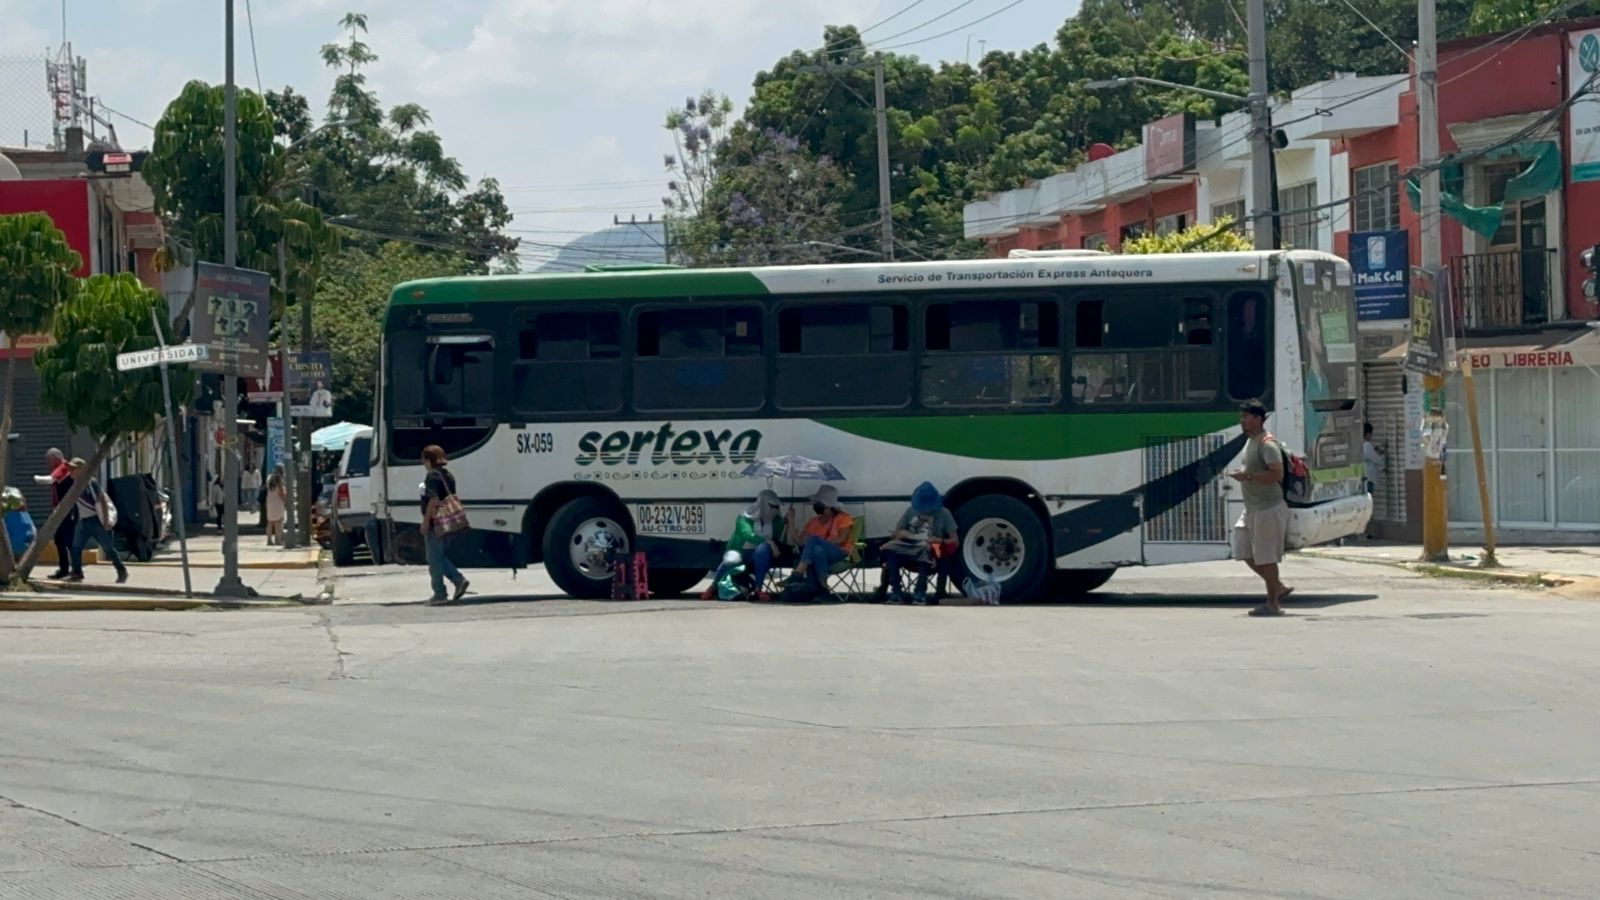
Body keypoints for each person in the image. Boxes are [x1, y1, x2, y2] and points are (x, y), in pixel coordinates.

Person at [1231, 400, 1294, 617]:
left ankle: (1273, 604)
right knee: (1243, 549)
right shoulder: (1251, 441)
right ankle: (1278, 586)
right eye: (1242, 417)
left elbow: (1277, 474)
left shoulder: (1267, 444)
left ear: (1258, 419)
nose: (1242, 421)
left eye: (1246, 417)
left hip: (1268, 508)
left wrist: (1247, 476)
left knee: (1266, 557)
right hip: (1252, 508)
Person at [878, 481, 959, 606]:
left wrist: (939, 540)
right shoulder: (911, 511)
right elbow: (895, 534)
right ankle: (896, 592)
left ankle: (919, 593)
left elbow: (955, 541)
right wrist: (904, 534)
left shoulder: (944, 513)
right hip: (909, 545)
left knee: (925, 549)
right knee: (889, 549)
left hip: (932, 547)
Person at [702, 489, 784, 600]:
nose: (775, 509)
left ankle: (758, 589)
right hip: (740, 550)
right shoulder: (745, 516)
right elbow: (747, 535)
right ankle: (713, 587)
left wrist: (788, 522)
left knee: (763, 549)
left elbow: (778, 537)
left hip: (758, 555)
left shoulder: (776, 520)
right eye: (772, 506)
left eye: (777, 507)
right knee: (732, 558)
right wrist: (768, 541)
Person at [420, 444, 470, 605]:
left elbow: (434, 499)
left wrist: (426, 521)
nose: (423, 464)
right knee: (438, 556)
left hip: (436, 523)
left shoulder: (432, 476)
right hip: (449, 523)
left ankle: (440, 592)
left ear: (429, 461)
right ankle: (458, 580)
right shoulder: (448, 475)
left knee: (433, 559)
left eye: (424, 461)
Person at [784, 484, 855, 596]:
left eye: (818, 502)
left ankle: (799, 571)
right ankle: (823, 587)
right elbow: (800, 542)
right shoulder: (813, 521)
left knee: (814, 541)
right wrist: (791, 522)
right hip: (819, 554)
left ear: (828, 505)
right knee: (817, 550)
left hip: (839, 552)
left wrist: (821, 542)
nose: (815, 505)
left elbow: (842, 539)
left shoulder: (843, 518)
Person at [66, 457, 128, 585]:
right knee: (76, 548)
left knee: (108, 548)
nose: (70, 471)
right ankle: (77, 572)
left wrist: (105, 520)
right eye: (70, 468)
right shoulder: (74, 485)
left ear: (81, 469)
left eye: (73, 468)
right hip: (83, 521)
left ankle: (121, 570)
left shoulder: (91, 482)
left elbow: (102, 500)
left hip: (95, 520)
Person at [33, 448, 76, 579]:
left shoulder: (63, 467)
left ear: (56, 458)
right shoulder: (62, 467)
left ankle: (74, 569)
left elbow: (50, 480)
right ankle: (66, 569)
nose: (47, 463)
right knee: (60, 540)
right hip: (61, 510)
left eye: (48, 460)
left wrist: (35, 478)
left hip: (67, 511)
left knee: (67, 540)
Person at [1363, 423, 1386, 539]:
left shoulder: (1360, 444)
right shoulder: (1367, 445)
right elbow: (1376, 459)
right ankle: (1368, 532)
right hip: (1369, 479)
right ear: (1368, 434)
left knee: (1365, 505)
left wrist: (1376, 449)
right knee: (1369, 504)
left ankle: (1365, 531)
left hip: (1363, 478)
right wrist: (1383, 453)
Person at [265, 466, 287, 545]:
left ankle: (269, 540)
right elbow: (281, 493)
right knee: (278, 522)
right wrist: (286, 501)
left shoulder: (269, 478)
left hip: (270, 501)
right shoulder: (279, 479)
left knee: (270, 522)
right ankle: (278, 540)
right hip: (278, 502)